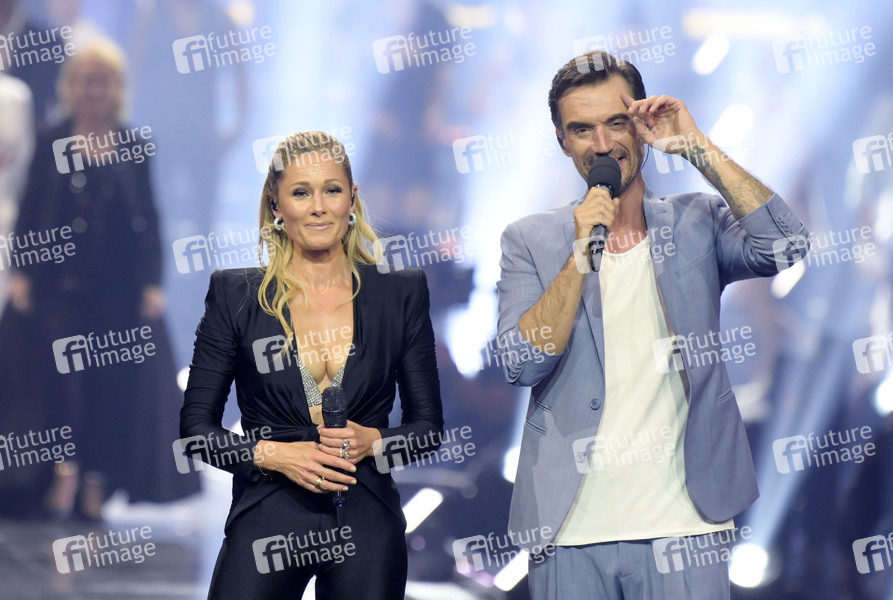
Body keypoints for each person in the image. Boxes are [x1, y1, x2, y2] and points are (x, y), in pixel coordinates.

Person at [495, 50, 809, 599]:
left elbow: (786, 245)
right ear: (562, 140)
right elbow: (521, 363)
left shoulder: (695, 221)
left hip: (686, 523)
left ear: (640, 125)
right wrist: (579, 256)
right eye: (582, 129)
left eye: (617, 122)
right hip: (569, 529)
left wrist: (697, 146)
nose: (602, 144)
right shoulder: (529, 239)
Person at [180, 131, 443, 599]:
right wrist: (276, 455)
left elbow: (428, 430)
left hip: (365, 515)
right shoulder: (236, 295)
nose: (319, 207)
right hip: (268, 511)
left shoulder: (400, 292)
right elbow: (196, 431)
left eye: (332, 190)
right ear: (276, 205)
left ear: (352, 199)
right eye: (301, 193)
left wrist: (374, 442)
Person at [1, 39, 197, 519]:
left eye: (103, 82)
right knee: (60, 383)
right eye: (86, 81)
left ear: (117, 88)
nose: (94, 91)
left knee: (111, 388)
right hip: (57, 288)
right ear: (72, 86)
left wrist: (153, 284)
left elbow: (149, 219)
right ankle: (61, 473)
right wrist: (22, 272)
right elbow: (31, 209)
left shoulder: (135, 146)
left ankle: (96, 480)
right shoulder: (52, 139)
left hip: (117, 292)